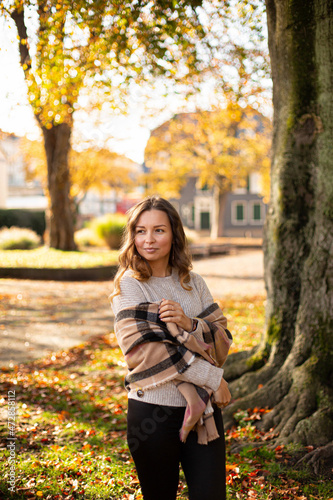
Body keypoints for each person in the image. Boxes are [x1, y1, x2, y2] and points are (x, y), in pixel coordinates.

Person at [110, 196, 232, 500]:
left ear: (174, 234)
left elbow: (222, 341)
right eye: (140, 231)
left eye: (158, 230)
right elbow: (147, 351)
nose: (148, 240)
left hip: (203, 414)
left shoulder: (193, 282)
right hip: (152, 412)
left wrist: (189, 324)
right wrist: (213, 378)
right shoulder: (130, 284)